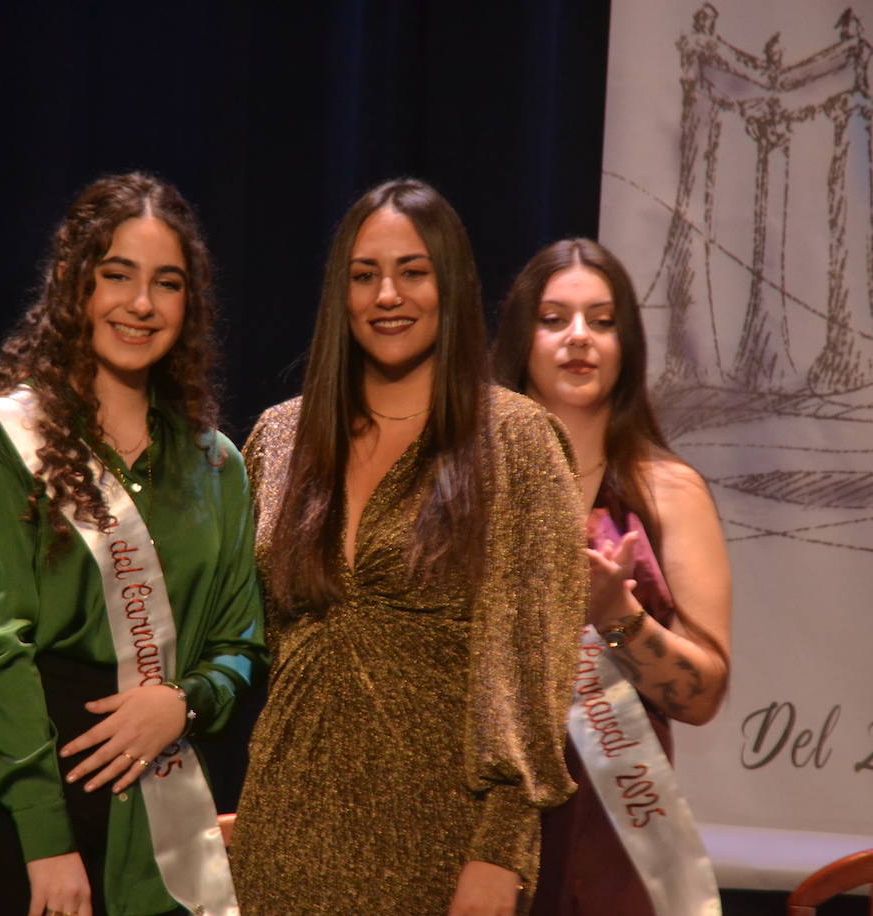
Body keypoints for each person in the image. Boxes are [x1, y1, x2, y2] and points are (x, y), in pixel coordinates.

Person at [0, 173, 268, 916]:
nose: (141, 304)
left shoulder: (217, 468)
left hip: (153, 787)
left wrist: (184, 705)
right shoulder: (6, 441)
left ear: (188, 306)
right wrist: (46, 840)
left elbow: (241, 644)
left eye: (166, 284)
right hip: (11, 791)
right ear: (76, 285)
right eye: (118, 276)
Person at [228, 179, 588, 916]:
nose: (387, 295)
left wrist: (500, 852)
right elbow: (243, 637)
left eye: (412, 272)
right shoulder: (279, 439)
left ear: (449, 283)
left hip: (445, 848)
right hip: (282, 843)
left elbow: (530, 667)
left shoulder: (515, 440)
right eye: (365, 276)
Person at [491, 238, 732, 915]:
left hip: (617, 822)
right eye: (554, 319)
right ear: (522, 340)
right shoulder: (473, 484)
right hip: (485, 816)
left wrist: (617, 618)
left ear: (626, 344)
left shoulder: (668, 491)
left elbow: (704, 694)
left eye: (602, 321)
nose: (579, 339)